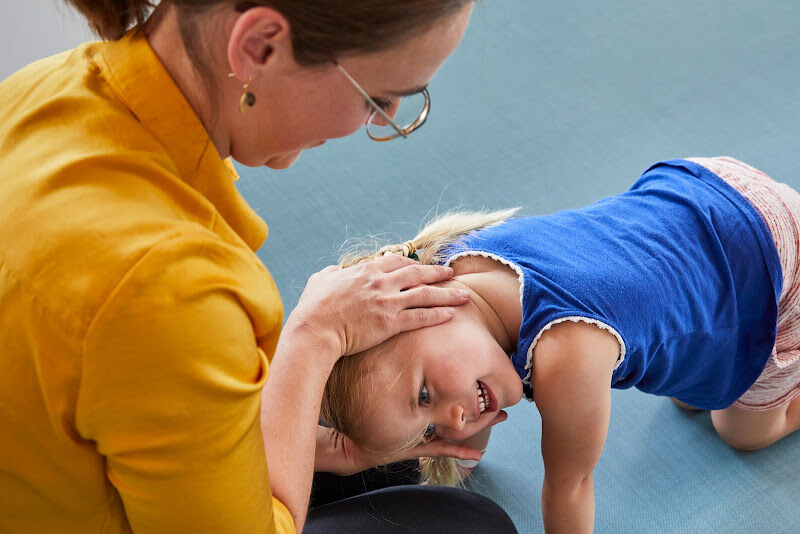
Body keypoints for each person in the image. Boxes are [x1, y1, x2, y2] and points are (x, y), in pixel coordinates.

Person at [0, 1, 518, 533]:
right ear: (259, 46)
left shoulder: (41, 88)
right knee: (470, 523)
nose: (373, 125)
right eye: (378, 100)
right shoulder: (169, 289)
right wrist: (316, 334)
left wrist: (327, 445)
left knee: (390, 446)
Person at [320, 156, 800, 533]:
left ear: (424, 311)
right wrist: (439, 430)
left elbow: (570, 485)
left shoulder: (568, 355)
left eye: (424, 397)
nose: (452, 421)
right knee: (689, 395)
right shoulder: (451, 266)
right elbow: (461, 386)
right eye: (428, 430)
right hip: (704, 186)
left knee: (743, 434)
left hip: (772, 263)